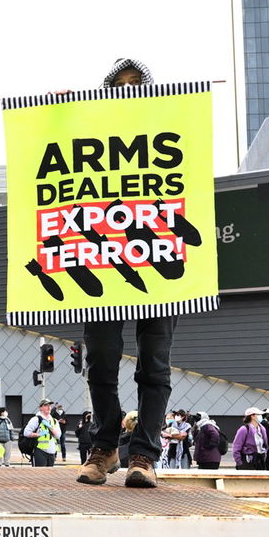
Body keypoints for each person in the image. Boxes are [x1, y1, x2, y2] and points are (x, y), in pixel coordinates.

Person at [74, 59, 182, 490]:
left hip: (157, 258)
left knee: (154, 366)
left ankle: (143, 454)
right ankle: (105, 447)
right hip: (103, 259)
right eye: (119, 86)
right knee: (100, 359)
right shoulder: (91, 133)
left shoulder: (172, 128)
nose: (127, 92)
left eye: (136, 86)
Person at [23, 399, 61, 469]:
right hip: (39, 451)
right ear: (40, 408)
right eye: (46, 405)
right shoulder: (36, 419)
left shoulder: (54, 421)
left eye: (49, 405)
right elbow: (26, 433)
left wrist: (50, 428)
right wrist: (39, 434)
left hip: (52, 451)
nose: (49, 407)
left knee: (48, 476)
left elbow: (58, 436)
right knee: (38, 475)